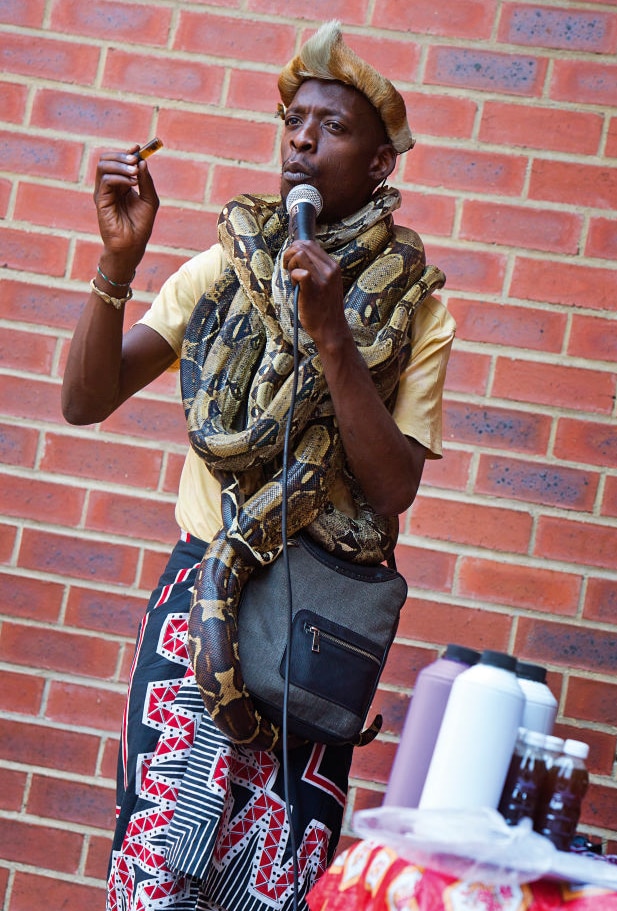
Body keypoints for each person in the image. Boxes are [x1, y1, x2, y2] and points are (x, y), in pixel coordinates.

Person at [62, 20, 455, 911]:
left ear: (379, 167)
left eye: (334, 126)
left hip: (319, 625)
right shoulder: (227, 261)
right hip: (200, 611)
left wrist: (333, 338)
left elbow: (393, 488)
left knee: (274, 888)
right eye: (294, 122)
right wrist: (116, 263)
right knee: (158, 878)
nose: (305, 139)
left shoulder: (418, 307)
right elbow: (85, 400)